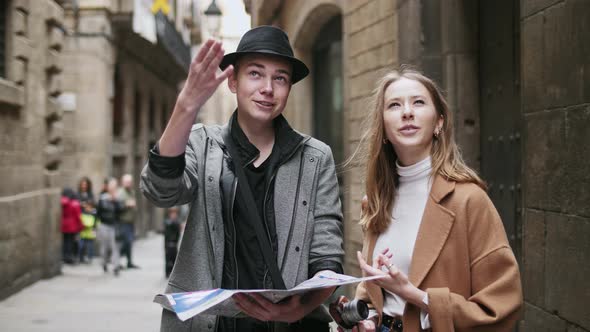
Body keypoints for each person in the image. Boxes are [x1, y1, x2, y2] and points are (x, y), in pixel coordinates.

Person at [140, 25, 344, 332]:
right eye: (255, 74)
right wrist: (186, 106)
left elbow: (327, 254)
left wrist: (301, 307)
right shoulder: (202, 143)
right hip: (210, 324)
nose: (268, 88)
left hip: (288, 326)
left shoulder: (315, 157)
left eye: (280, 78)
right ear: (233, 81)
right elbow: (160, 192)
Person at [331, 69, 523, 332]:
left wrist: (416, 295)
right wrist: (370, 318)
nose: (407, 112)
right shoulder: (376, 201)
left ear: (439, 123)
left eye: (418, 102)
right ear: (384, 129)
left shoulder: (469, 200)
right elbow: (375, 291)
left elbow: (502, 305)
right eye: (395, 105)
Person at [96, 177, 123, 276]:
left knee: (115, 246)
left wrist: (115, 201)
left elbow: (121, 211)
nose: (113, 188)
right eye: (111, 186)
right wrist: (95, 226)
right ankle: (104, 263)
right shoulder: (102, 198)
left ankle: (116, 266)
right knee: (104, 247)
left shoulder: (118, 198)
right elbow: (98, 213)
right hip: (104, 225)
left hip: (114, 225)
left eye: (114, 186)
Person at [118, 173, 139, 269]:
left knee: (130, 242)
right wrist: (127, 204)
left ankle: (129, 262)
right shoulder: (120, 193)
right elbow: (117, 208)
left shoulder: (132, 192)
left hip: (131, 221)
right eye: (127, 182)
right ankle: (117, 260)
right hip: (123, 221)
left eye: (130, 182)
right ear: (123, 182)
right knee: (126, 241)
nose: (128, 184)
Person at [60, 187, 82, 264]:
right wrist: (81, 225)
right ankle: (69, 257)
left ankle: (64, 256)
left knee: (64, 241)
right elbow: (78, 216)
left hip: (63, 224)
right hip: (72, 225)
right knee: (71, 242)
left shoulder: (61, 202)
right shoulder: (75, 203)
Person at [163, 206, 182, 278]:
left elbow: (178, 232)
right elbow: (166, 235)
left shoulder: (177, 222)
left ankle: (173, 273)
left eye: (175, 213)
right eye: (172, 213)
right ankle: (167, 273)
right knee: (167, 260)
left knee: (174, 260)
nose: (173, 215)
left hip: (174, 244)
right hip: (168, 244)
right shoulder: (167, 222)